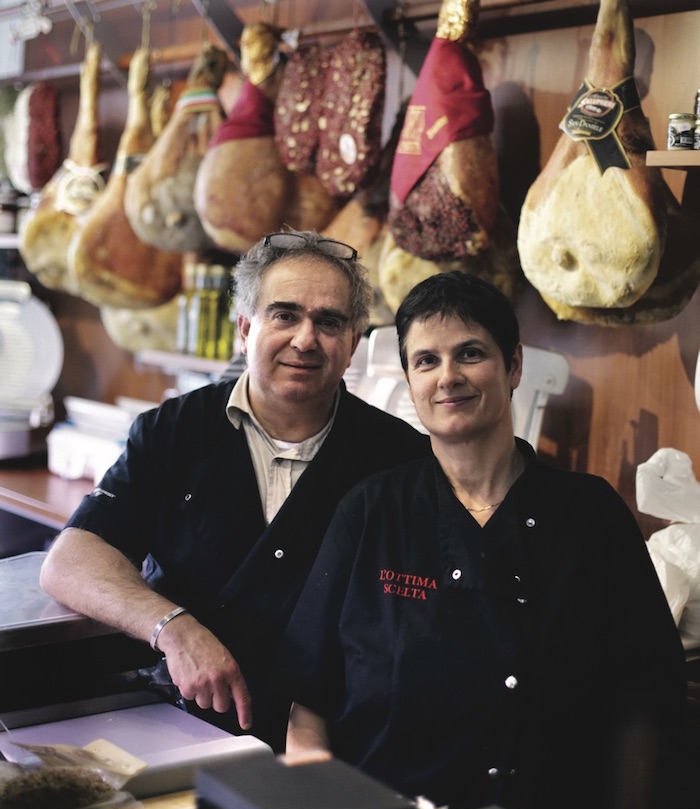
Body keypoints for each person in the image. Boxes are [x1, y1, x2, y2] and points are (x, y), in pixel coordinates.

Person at [280, 271, 687, 809]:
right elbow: (308, 697)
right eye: (425, 361)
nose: (447, 377)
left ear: (513, 366)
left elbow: (643, 704)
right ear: (409, 380)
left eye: (470, 354)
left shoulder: (590, 516)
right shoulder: (372, 510)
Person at [39, 230, 428, 752]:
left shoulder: (397, 457)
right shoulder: (173, 430)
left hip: (333, 742)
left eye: (329, 322)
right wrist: (174, 628)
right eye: (284, 315)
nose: (305, 339)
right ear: (246, 328)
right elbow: (70, 560)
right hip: (177, 719)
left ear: (353, 342)